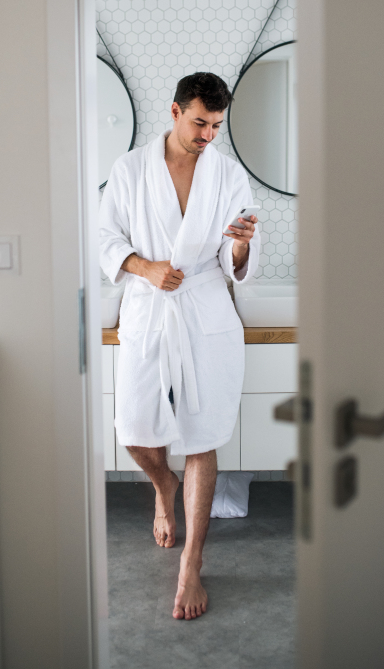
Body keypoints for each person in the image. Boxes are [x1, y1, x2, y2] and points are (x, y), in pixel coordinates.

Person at [98, 72, 259, 620]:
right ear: (174, 111)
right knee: (134, 432)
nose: (208, 135)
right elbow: (106, 239)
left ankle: (192, 563)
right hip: (149, 309)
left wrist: (239, 249)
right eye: (199, 123)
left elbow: (235, 266)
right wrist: (145, 267)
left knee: (202, 435)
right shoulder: (129, 170)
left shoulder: (229, 175)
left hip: (206, 312)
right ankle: (164, 488)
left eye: (216, 125)